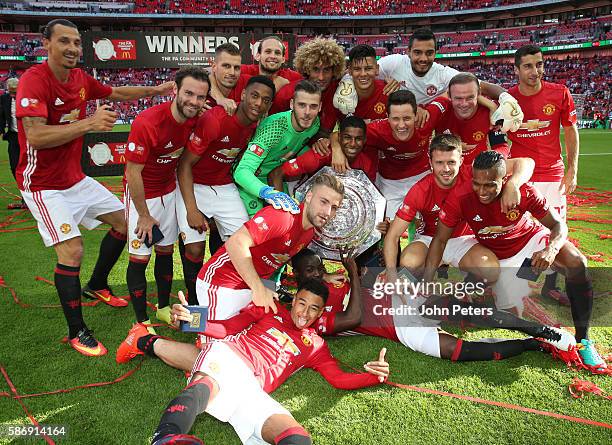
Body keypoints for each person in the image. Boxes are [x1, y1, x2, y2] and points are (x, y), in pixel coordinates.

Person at [15, 19, 173, 356]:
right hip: (43, 185)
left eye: (76, 42)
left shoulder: (80, 78)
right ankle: (77, 331)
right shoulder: (34, 80)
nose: (72, 48)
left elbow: (116, 92)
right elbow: (36, 136)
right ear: (47, 45)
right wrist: (89, 123)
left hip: (75, 179)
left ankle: (97, 284)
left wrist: (155, 92)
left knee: (124, 222)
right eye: (64, 42)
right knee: (72, 251)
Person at [148, 279, 388, 445]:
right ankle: (166, 437)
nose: (305, 313)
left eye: (313, 309)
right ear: (293, 301)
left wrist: (372, 376)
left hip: (252, 389)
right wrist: (193, 321)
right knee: (206, 386)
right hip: (231, 357)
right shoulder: (270, 309)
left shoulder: (316, 346)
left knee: (297, 437)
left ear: (321, 312)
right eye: (302, 303)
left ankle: (143, 342)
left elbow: (338, 378)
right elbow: (227, 328)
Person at [424, 151, 605, 370]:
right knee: (508, 311)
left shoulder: (524, 191)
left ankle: (584, 340)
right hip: (496, 257)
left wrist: (551, 249)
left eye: (490, 185)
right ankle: (483, 288)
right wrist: (427, 278)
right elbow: (440, 240)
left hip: (529, 242)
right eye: (477, 184)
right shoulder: (460, 197)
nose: (482, 191)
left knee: (577, 262)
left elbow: (558, 226)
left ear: (504, 179)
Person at [292, 248, 574, 362]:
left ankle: (541, 330)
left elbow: (371, 277)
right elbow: (353, 318)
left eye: (318, 268)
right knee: (457, 351)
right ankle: (531, 345)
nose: (316, 274)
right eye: (309, 272)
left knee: (468, 311)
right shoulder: (307, 310)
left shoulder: (331, 281)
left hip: (402, 298)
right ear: (296, 276)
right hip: (397, 327)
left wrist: (368, 274)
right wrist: (354, 273)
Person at [176, 76, 276, 304]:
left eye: (265, 100)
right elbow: (184, 165)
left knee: (245, 245)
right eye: (254, 96)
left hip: (224, 185)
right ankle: (195, 303)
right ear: (242, 95)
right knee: (194, 249)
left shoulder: (257, 125)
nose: (258, 104)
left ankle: (231, 296)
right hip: (194, 184)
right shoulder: (216, 120)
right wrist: (192, 209)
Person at [124, 67, 209, 328]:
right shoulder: (148, 122)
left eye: (200, 97)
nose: (193, 101)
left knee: (165, 251)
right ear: (175, 91)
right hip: (143, 197)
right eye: (188, 93)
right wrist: (144, 215)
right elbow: (133, 172)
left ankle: (162, 308)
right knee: (140, 259)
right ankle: (141, 322)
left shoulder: (196, 119)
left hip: (169, 191)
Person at [383, 133, 534, 281]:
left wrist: (513, 184)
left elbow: (525, 162)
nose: (446, 169)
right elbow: (393, 235)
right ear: (430, 162)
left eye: (451, 162)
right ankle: (418, 289)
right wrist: (391, 272)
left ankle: (471, 282)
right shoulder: (420, 190)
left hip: (464, 239)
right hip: (431, 239)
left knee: (490, 271)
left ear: (461, 161)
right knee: (410, 261)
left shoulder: (474, 173)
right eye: (439, 162)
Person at [507, 44, 580, 305]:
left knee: (555, 231)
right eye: (528, 66)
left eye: (539, 64)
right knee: (523, 231)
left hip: (552, 175)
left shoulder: (559, 93)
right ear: (516, 69)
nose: (535, 71)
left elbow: (571, 130)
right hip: (522, 177)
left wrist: (572, 169)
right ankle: (523, 283)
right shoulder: (508, 99)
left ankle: (549, 287)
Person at [234, 80, 322, 217]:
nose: (307, 112)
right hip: (252, 182)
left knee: (290, 223)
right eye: (301, 105)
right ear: (292, 104)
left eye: (313, 106)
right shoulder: (274, 128)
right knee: (259, 232)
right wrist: (266, 192)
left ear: (320, 107)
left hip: (275, 177)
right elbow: (241, 172)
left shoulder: (315, 124)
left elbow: (296, 145)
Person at [376, 28, 505, 105]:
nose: (423, 59)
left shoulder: (443, 74)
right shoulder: (393, 63)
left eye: (429, 53)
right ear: (408, 51)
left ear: (436, 53)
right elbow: (362, 74)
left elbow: (485, 87)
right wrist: (380, 81)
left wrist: (508, 99)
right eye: (417, 52)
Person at [268, 115, 377, 188]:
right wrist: (281, 209)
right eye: (347, 137)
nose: (353, 144)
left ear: (365, 140)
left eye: (358, 139)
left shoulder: (367, 165)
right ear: (339, 137)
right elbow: (276, 174)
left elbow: (368, 197)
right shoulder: (319, 155)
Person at [268, 37, 345, 136]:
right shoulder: (286, 95)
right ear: (306, 69)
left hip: (324, 142)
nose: (321, 77)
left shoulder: (340, 91)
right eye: (316, 69)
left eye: (326, 70)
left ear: (334, 70)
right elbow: (271, 129)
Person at [434, 72, 510, 165]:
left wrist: (493, 160)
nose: (464, 104)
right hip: (448, 172)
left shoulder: (490, 113)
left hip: (479, 171)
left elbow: (500, 145)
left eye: (470, 98)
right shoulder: (439, 112)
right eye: (458, 98)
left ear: (479, 94)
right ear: (449, 96)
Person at [333, 44, 391, 122]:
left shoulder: (388, 92)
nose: (363, 74)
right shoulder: (338, 95)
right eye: (357, 69)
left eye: (368, 68)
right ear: (350, 70)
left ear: (377, 69)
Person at [0, 77, 26, 209]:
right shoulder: (4, 99)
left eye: (14, 92)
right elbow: (1, 116)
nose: (12, 95)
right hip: (13, 137)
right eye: (10, 92)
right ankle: (25, 197)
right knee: (14, 167)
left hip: (28, 137)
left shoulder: (27, 97)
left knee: (29, 167)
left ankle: (30, 199)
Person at [207, 43, 251, 115]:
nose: (232, 73)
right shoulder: (201, 89)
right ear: (214, 67)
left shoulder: (247, 82)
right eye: (226, 66)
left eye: (236, 67)